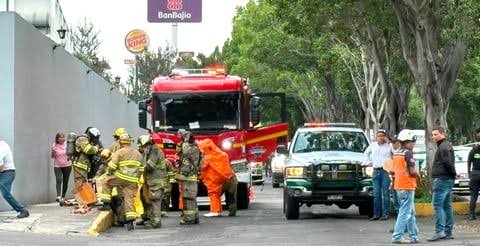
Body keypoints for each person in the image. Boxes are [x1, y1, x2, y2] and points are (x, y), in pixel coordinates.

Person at [98, 134, 144, 231]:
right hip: (133, 180)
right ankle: (130, 222)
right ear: (130, 142)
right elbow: (141, 169)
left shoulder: (119, 152)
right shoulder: (138, 154)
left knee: (106, 182)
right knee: (129, 199)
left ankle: (106, 204)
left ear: (120, 142)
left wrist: (108, 174)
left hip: (121, 177)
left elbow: (112, 167)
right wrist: (136, 179)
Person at [427, 126, 456, 241]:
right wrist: (453, 175)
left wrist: (453, 173)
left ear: (443, 133)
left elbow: (448, 163)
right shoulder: (446, 145)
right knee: (446, 206)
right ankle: (448, 232)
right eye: (433, 135)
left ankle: (440, 231)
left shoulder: (443, 147)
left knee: (437, 205)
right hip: (447, 179)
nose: (434, 137)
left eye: (436, 134)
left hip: (442, 179)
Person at [391, 129, 419, 244]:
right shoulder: (408, 153)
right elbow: (412, 171)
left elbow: (393, 170)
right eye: (412, 142)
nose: (413, 144)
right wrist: (418, 176)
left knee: (410, 212)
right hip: (407, 186)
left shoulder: (397, 152)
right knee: (404, 212)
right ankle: (397, 237)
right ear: (406, 142)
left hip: (399, 185)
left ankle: (414, 236)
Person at [198, 139, 238, 217]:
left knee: (214, 195)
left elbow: (202, 168)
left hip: (215, 180)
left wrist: (199, 176)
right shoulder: (223, 154)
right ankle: (232, 212)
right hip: (230, 177)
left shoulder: (208, 157)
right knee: (231, 196)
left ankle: (215, 211)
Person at [137, 134, 171, 228]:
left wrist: (139, 169)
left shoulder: (154, 151)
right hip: (152, 181)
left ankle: (156, 222)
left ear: (147, 144)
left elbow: (150, 166)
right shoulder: (151, 151)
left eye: (143, 146)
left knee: (155, 200)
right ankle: (149, 218)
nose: (142, 148)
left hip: (156, 181)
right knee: (148, 199)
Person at [364, 129, 392, 220]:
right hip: (376, 171)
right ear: (376, 137)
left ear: (385, 137)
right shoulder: (373, 145)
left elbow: (395, 152)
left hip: (385, 171)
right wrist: (368, 162)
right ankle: (376, 214)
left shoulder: (389, 145)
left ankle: (386, 213)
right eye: (379, 136)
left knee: (385, 193)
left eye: (382, 136)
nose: (380, 137)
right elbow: (366, 153)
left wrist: (389, 143)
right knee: (376, 193)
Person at [72, 127, 101, 212]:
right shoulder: (82, 139)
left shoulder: (87, 139)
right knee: (79, 183)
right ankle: (81, 203)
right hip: (79, 165)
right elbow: (88, 150)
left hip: (84, 165)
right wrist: (96, 148)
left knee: (84, 182)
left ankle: (89, 200)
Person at [176, 130, 201, 225]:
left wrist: (185, 141)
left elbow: (186, 152)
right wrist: (181, 143)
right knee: (190, 198)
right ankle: (194, 218)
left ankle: (189, 219)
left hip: (190, 178)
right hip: (187, 178)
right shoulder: (190, 147)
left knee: (189, 198)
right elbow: (179, 152)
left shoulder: (193, 149)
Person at [0, 139, 30, 218]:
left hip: (7, 173)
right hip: (3, 172)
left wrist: (1, 166)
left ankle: (23, 210)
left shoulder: (2, 146)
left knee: (5, 192)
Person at [51, 132, 72, 202]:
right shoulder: (54, 145)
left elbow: (71, 153)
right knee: (59, 179)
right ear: (57, 139)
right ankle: (58, 196)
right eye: (61, 138)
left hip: (67, 165)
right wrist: (53, 152)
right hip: (57, 165)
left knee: (65, 181)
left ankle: (63, 196)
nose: (62, 139)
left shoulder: (67, 144)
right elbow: (52, 156)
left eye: (63, 137)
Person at [467, 128, 480, 220]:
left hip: (475, 173)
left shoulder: (473, 150)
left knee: (474, 195)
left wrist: (469, 173)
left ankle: (471, 214)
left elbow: (468, 162)